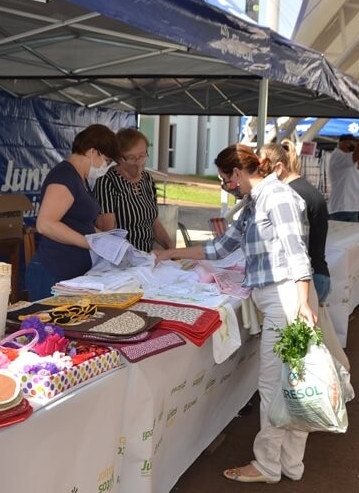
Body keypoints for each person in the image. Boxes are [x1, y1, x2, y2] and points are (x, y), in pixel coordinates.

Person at [155, 144, 317, 484]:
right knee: (292, 382)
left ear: (237, 173)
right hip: (280, 297)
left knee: (275, 383)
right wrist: (173, 252)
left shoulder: (277, 197)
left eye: (226, 179)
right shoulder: (254, 204)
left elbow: (296, 252)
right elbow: (219, 247)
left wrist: (302, 302)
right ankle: (290, 462)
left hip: (287, 297)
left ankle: (269, 464)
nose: (228, 186)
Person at [25, 124, 119, 300]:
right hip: (53, 273)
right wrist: (89, 243)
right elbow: (45, 224)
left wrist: (107, 241)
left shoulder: (81, 178)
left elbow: (80, 223)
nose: (105, 167)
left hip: (73, 274)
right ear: (93, 152)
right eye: (106, 161)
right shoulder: (64, 176)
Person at [260, 140, 330, 303]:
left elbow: (293, 245)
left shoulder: (290, 194)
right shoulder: (304, 188)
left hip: (307, 278)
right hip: (317, 273)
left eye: (263, 169)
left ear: (279, 168)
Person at [94, 128, 174, 252]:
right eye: (131, 157)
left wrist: (171, 248)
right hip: (122, 258)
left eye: (142, 155)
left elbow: (153, 221)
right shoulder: (107, 182)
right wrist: (133, 256)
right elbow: (107, 231)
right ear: (119, 157)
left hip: (146, 256)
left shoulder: (147, 179)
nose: (139, 162)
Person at [327, 119, 359, 221]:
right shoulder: (338, 156)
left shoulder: (346, 159)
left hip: (349, 207)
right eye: (352, 145)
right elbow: (358, 155)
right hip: (343, 208)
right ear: (345, 144)